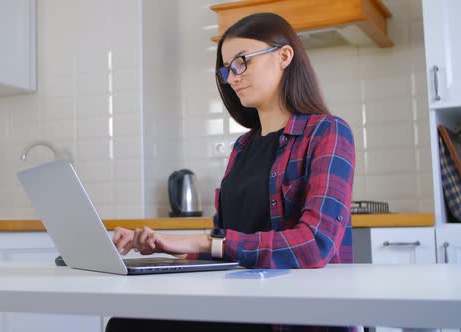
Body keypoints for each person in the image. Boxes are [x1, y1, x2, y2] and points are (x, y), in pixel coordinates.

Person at [106, 12, 356, 332]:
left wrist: (200, 243)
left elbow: (315, 243)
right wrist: (162, 248)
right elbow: (223, 249)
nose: (232, 77)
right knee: (126, 323)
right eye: (227, 69)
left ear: (283, 56)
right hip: (240, 306)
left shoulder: (328, 132)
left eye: (242, 62)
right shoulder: (242, 148)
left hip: (293, 319)